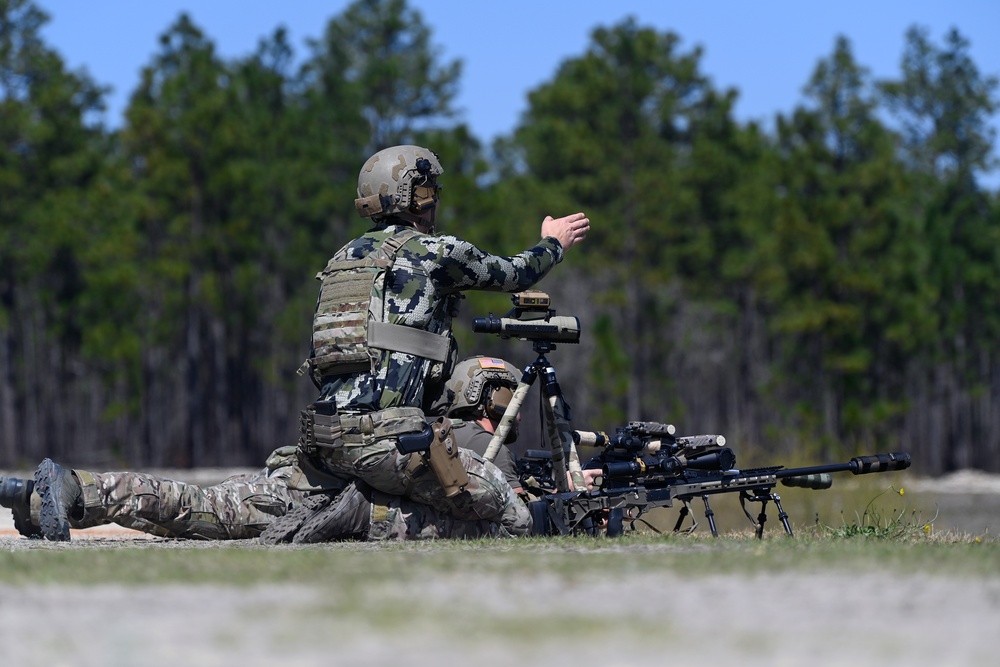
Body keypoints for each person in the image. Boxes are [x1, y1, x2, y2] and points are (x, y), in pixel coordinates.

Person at [290, 144, 588, 539]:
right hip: (386, 444)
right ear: (417, 196)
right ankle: (371, 517)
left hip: (323, 443)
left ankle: (357, 504)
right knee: (513, 514)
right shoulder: (436, 253)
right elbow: (516, 274)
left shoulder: (342, 260)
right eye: (432, 190)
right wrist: (553, 243)